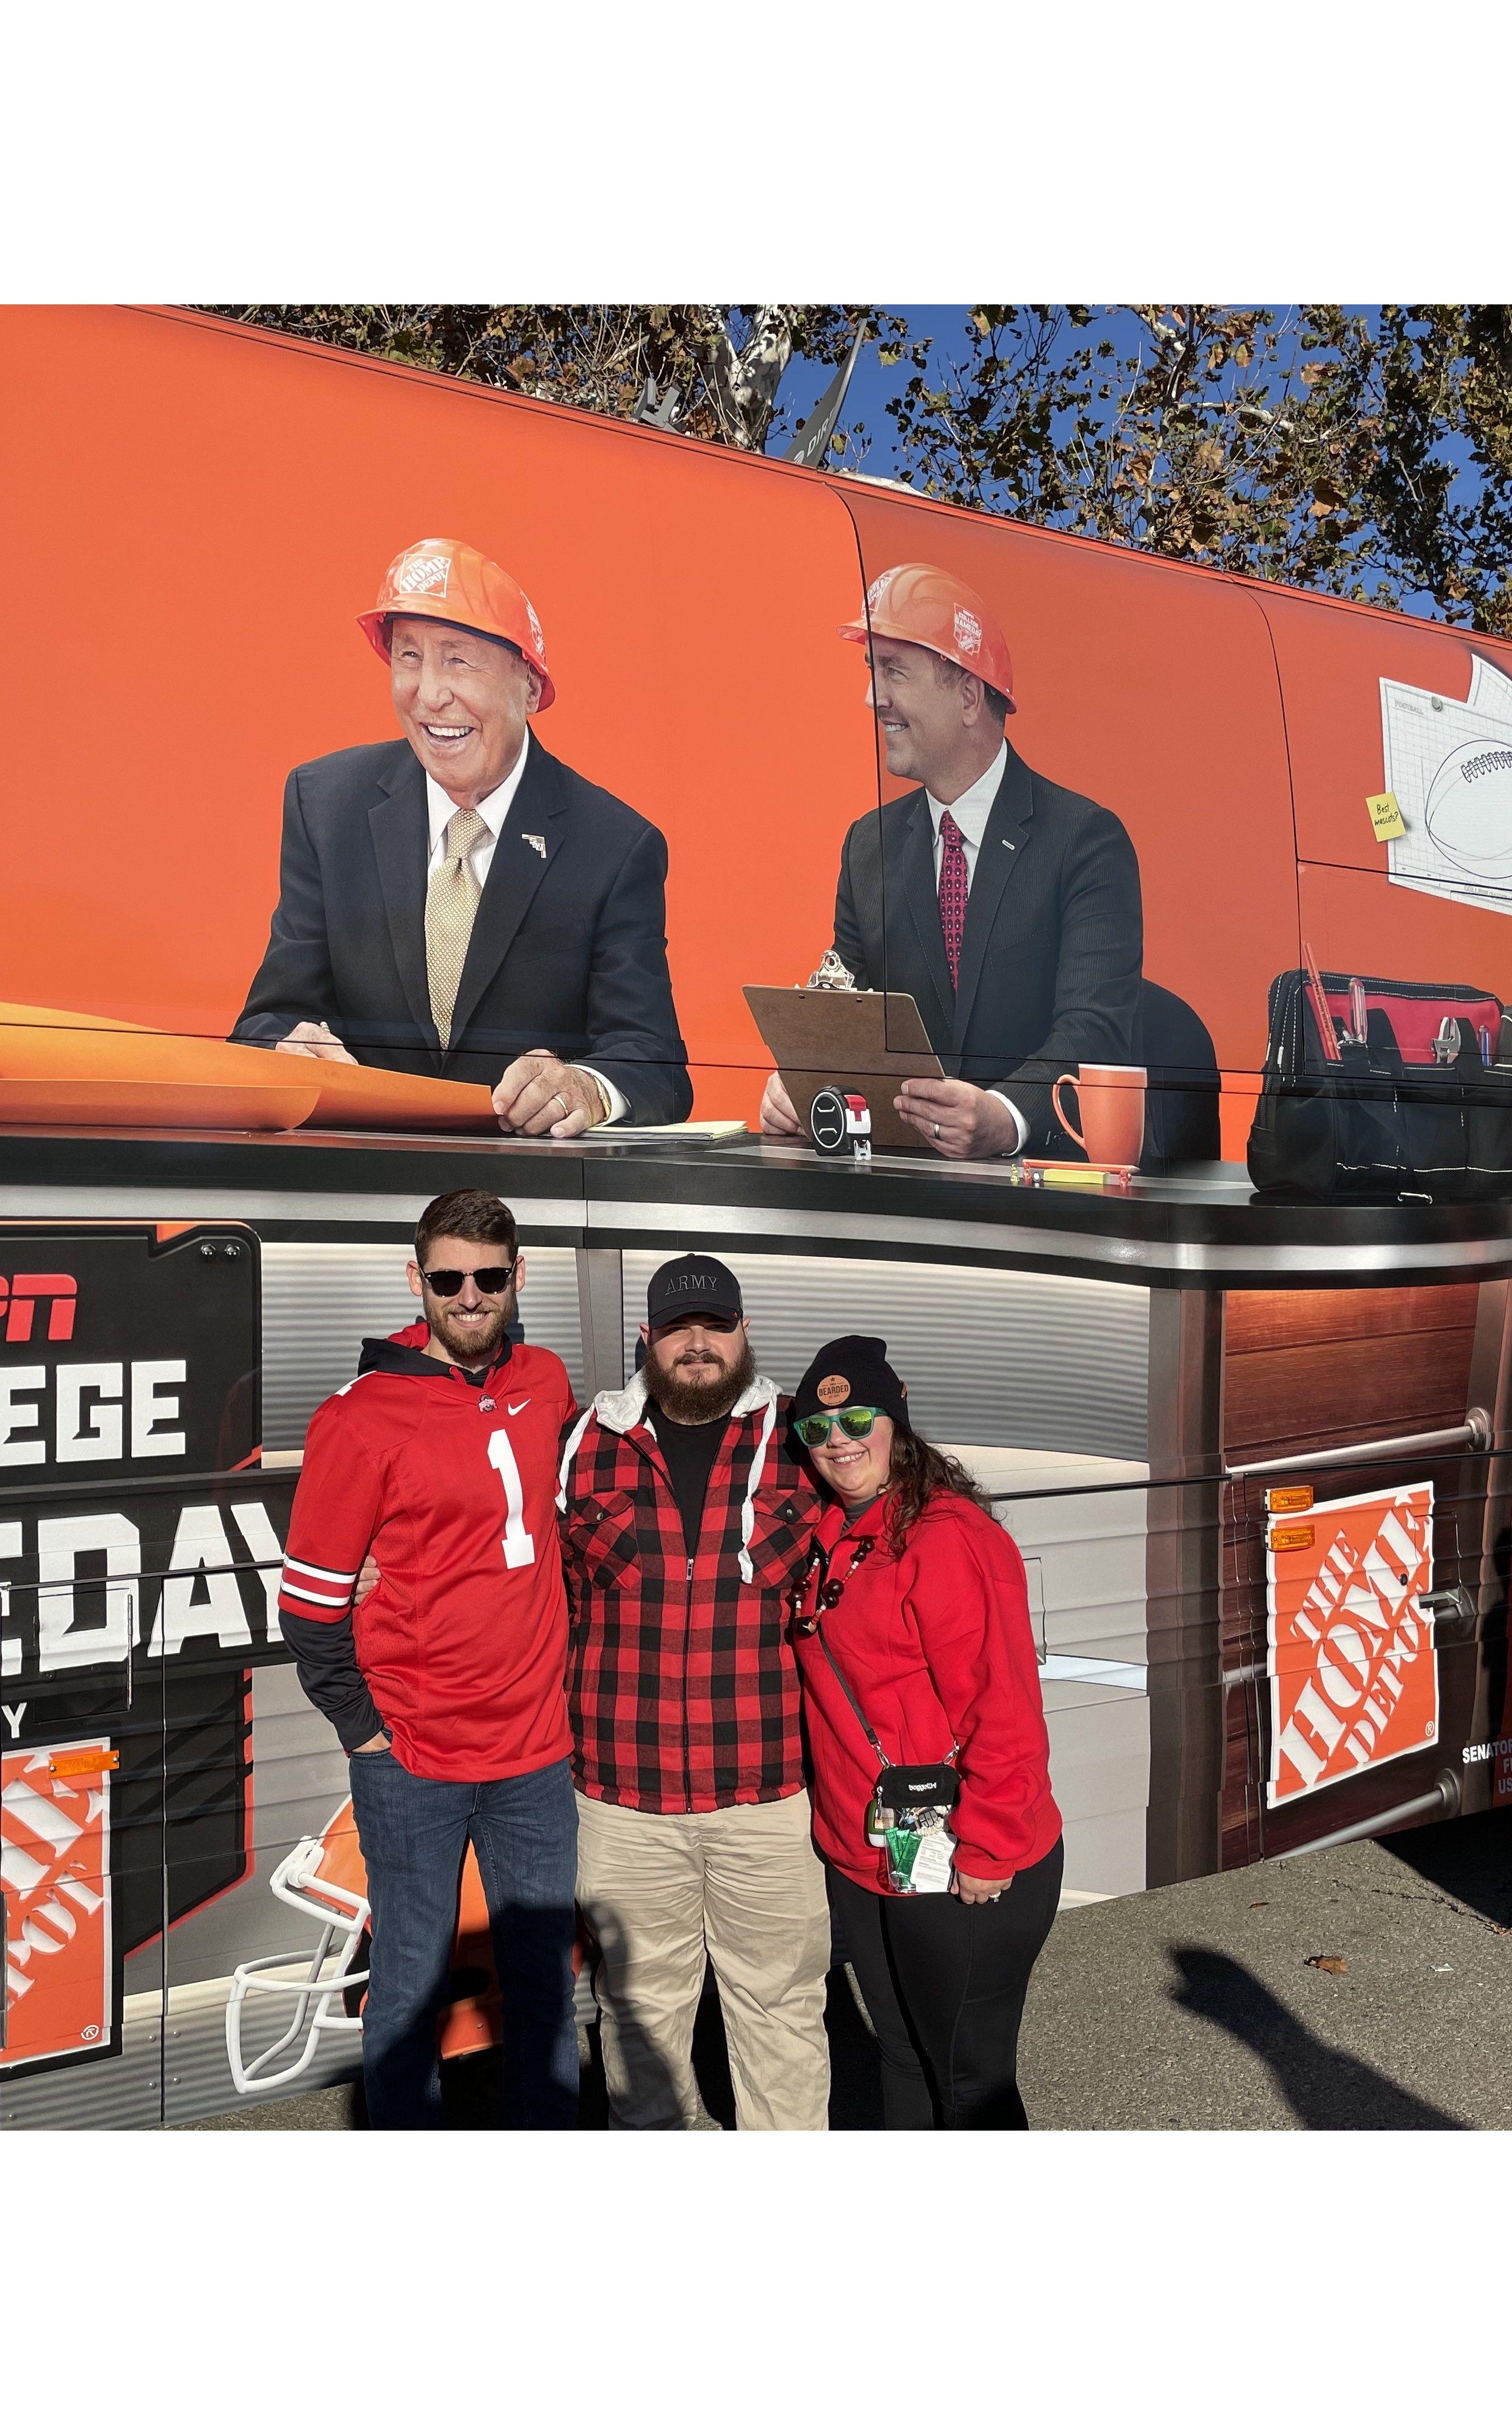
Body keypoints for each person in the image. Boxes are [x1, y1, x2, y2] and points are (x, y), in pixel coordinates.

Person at [274, 1188, 583, 2127]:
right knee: (409, 1991)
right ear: (418, 1282)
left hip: (535, 1754)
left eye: (490, 1277)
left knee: (545, 1995)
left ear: (518, 1277)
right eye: (448, 1278)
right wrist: (365, 1734)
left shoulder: (548, 1382)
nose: (470, 1296)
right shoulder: (360, 1419)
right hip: (414, 1760)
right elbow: (309, 1606)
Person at [235, 538, 691, 1132]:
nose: (429, 694)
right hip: (362, 1187)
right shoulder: (327, 806)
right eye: (408, 657)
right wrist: (286, 1047)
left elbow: (655, 1065)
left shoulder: (613, 846)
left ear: (529, 685)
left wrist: (587, 1089)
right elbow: (264, 1023)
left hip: (526, 1204)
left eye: (457, 660)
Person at [557, 1253, 828, 2129]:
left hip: (767, 1796)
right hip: (622, 1803)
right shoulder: (582, 1440)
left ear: (745, 1333)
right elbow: (505, 1566)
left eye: (715, 1326)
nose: (698, 1345)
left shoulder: (805, 1438)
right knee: (641, 2025)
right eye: (678, 1329)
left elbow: (890, 1525)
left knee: (781, 2014)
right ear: (647, 1339)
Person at [759, 562, 1142, 1161]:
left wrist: (1007, 1115)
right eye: (871, 671)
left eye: (894, 673)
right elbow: (851, 1017)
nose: (871, 697)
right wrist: (806, 1081)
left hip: (1041, 1197)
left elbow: (1094, 1035)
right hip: (905, 1194)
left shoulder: (1084, 842)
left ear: (968, 696)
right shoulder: (869, 847)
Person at [783, 1334, 1064, 2126]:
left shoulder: (947, 1540)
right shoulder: (834, 1530)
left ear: (896, 1422)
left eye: (857, 1420)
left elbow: (1003, 1709)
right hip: (874, 1851)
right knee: (903, 2055)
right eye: (817, 1429)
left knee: (969, 2082)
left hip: (962, 1852)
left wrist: (988, 1844)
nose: (838, 1442)